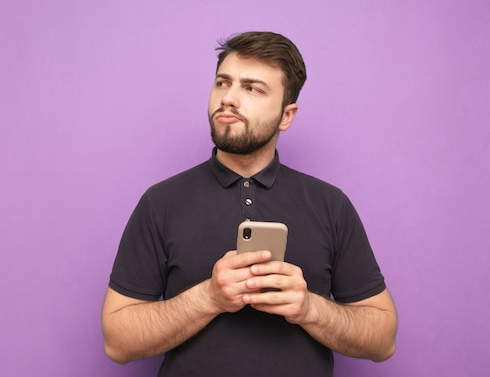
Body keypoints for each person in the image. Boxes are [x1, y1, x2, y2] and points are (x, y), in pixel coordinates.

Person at [101, 31, 397, 376]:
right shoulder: (160, 202)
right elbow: (117, 343)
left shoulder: (331, 205)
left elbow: (383, 340)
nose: (229, 98)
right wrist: (209, 297)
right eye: (222, 83)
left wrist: (309, 308)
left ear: (287, 116)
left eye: (252, 88)